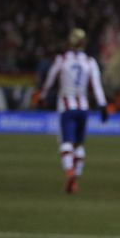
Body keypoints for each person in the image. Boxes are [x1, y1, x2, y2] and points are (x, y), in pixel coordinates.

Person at [40, 28, 108, 194]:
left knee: (66, 143)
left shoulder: (62, 59)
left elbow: (50, 79)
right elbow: (97, 86)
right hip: (83, 107)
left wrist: (42, 95)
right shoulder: (90, 61)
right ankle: (75, 179)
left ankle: (69, 171)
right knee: (79, 145)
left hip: (66, 107)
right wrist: (103, 105)